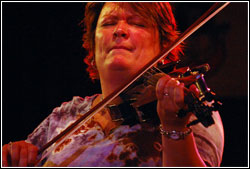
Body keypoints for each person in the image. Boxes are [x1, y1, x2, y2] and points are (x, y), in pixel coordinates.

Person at [2, 2, 224, 167]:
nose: (120, 30)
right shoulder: (68, 115)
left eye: (137, 23)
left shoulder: (188, 109)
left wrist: (175, 128)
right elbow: (20, 156)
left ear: (164, 47)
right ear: (92, 48)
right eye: (108, 23)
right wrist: (15, 155)